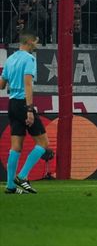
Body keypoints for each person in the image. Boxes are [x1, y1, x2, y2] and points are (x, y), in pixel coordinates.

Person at [0, 31, 49, 194]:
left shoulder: (10, 59)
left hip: (12, 104)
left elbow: (1, 84)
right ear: (28, 42)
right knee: (43, 143)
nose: (37, 44)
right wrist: (29, 109)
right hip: (23, 104)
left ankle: (10, 186)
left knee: (16, 147)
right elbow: (28, 84)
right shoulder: (29, 59)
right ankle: (22, 176)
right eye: (36, 41)